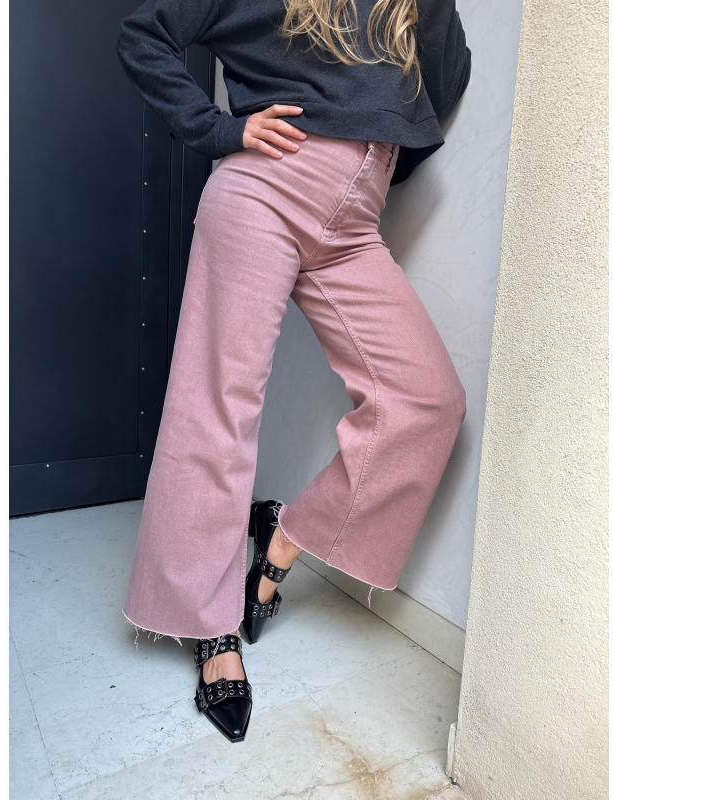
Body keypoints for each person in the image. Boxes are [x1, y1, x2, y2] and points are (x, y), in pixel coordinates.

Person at [116, 0, 471, 743]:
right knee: (220, 407)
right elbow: (145, 32)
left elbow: (442, 78)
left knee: (426, 400)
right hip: (265, 189)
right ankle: (211, 628)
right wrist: (219, 129)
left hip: (355, 219)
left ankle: (282, 539)